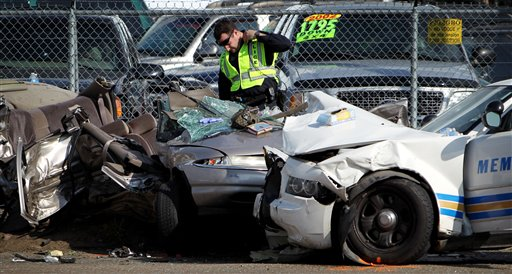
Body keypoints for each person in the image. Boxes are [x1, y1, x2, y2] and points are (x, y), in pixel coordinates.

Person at [214, 19, 291, 108]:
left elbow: (285, 44)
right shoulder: (224, 59)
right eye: (222, 45)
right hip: (240, 107)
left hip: (266, 104)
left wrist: (257, 34)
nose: (226, 48)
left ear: (235, 33)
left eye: (226, 42)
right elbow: (224, 89)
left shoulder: (259, 43)